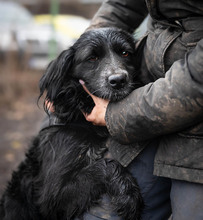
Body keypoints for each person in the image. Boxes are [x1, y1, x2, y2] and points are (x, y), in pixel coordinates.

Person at [78, 0, 203, 219]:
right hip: (145, 102)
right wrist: (83, 54)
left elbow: (198, 81)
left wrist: (115, 115)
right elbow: (122, 6)